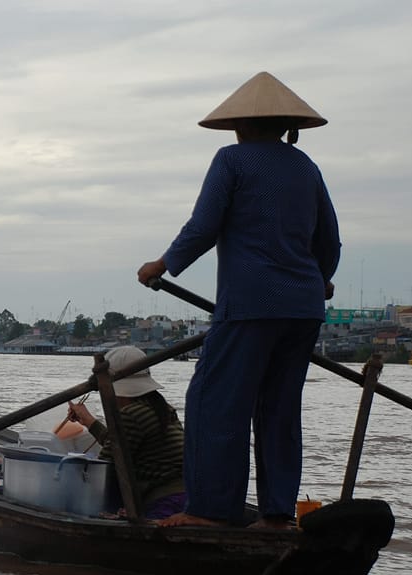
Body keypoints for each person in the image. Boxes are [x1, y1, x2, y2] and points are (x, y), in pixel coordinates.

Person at [136, 72, 341, 528]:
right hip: (303, 308)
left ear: (240, 126)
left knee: (215, 403)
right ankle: (276, 515)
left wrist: (164, 263)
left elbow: (205, 225)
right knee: (280, 411)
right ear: (287, 127)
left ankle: (210, 511)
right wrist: (320, 279)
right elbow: (330, 241)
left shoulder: (231, 160)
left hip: (251, 303)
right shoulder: (306, 166)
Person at [65, 346, 186, 520]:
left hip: (165, 502)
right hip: (188, 496)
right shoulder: (161, 407)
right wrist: (88, 421)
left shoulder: (131, 414)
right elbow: (120, 446)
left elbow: (106, 466)